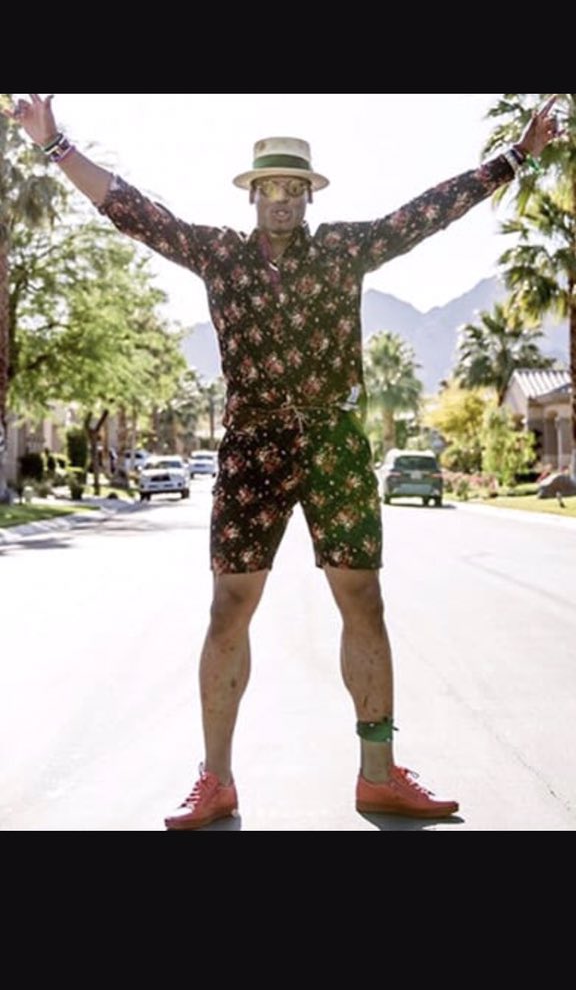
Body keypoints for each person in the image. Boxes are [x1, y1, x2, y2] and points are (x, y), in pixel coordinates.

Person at [8, 94, 560, 831]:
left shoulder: (343, 250)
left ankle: (378, 775)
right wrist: (55, 144)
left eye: (293, 187)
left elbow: (429, 212)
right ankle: (216, 780)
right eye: (268, 186)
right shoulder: (219, 255)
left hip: (334, 443)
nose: (281, 198)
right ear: (252, 193)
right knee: (228, 608)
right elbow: (130, 209)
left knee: (363, 600)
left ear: (308, 195)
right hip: (252, 447)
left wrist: (515, 155)